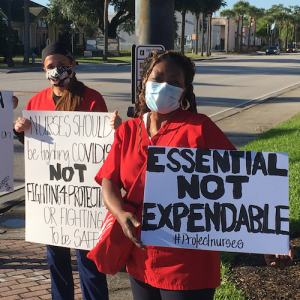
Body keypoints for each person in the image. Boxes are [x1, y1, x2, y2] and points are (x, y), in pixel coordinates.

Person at [92, 50, 293, 300]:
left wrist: (270, 240)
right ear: (144, 81)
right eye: (157, 78)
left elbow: (243, 181)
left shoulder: (200, 128)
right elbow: (108, 180)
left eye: (174, 82)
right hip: (140, 256)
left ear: (184, 91)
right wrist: (119, 213)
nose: (164, 86)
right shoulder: (129, 131)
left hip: (188, 261)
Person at [13, 42, 121, 300]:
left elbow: (103, 148)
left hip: (84, 199)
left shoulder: (92, 98)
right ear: (43, 69)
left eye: (62, 65)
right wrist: (21, 130)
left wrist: (117, 129)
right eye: (50, 66)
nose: (56, 70)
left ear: (73, 65)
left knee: (90, 262)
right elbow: (36, 148)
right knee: (56, 261)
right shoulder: (37, 101)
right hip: (54, 197)